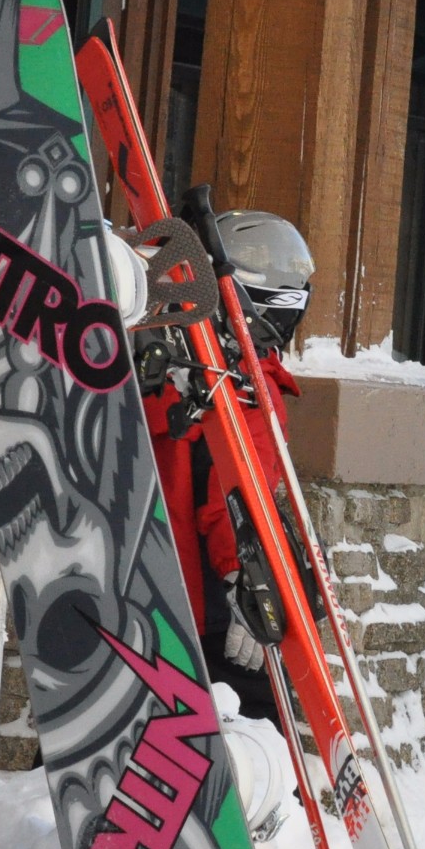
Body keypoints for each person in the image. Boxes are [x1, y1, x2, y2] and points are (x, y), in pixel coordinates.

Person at [142, 210, 316, 725]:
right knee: (259, 731)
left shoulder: (161, 364)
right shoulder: (240, 381)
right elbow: (236, 494)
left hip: (133, 583)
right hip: (206, 603)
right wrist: (251, 582)